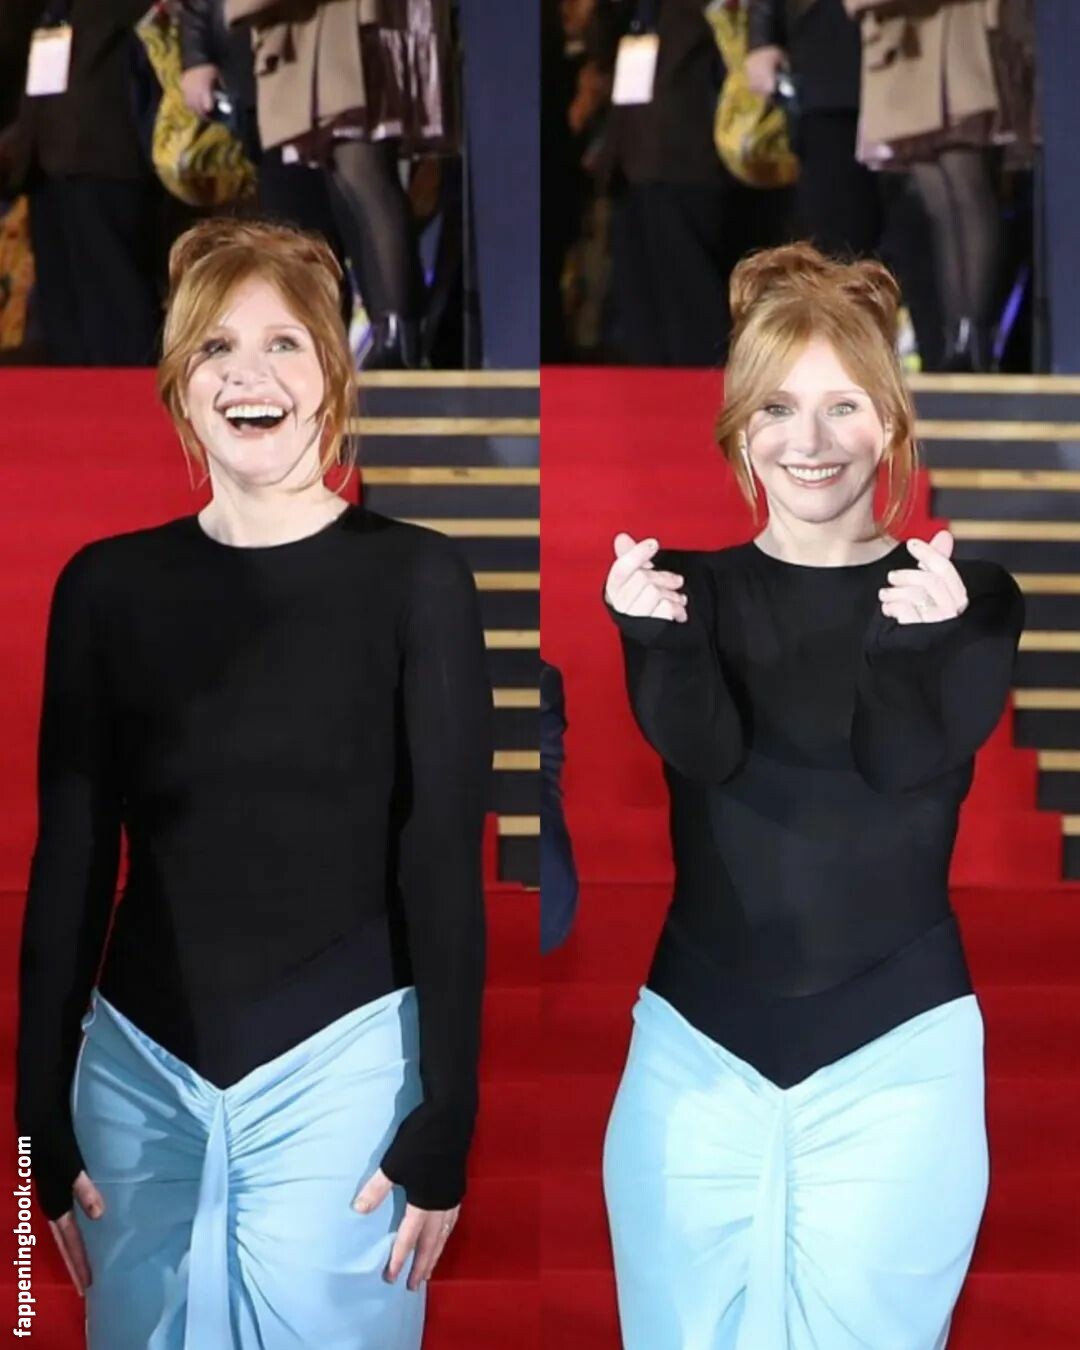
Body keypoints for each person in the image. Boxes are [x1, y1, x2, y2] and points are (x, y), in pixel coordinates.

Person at [16, 216, 493, 1347]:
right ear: (179, 385)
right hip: (135, 1076)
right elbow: (71, 859)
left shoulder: (417, 578)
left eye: (283, 343)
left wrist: (449, 1111)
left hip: (348, 1074)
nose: (249, 376)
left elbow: (440, 863)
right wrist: (38, 1113)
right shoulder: (105, 587)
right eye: (216, 348)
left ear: (333, 369)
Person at [600, 241, 1024, 1347]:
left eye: (843, 407)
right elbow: (703, 755)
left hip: (898, 1053)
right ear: (740, 426)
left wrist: (909, 649)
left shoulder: (967, 595)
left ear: (889, 421)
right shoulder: (681, 589)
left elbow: (899, 765)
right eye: (779, 408)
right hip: (694, 1049)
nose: (810, 441)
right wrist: (654, 640)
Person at [225, 0, 456, 370]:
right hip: (338, 24)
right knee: (354, 178)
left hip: (348, 25)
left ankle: (398, 332)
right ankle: (391, 330)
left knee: (364, 174)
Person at [844, 0, 1038, 371]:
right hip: (903, 41)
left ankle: (973, 336)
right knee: (939, 198)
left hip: (957, 30)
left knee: (965, 183)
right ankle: (958, 337)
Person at [2, 0, 164, 365]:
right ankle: (74, 395)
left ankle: (136, 393)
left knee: (116, 298)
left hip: (104, 158)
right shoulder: (53, 10)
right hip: (44, 164)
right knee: (63, 309)